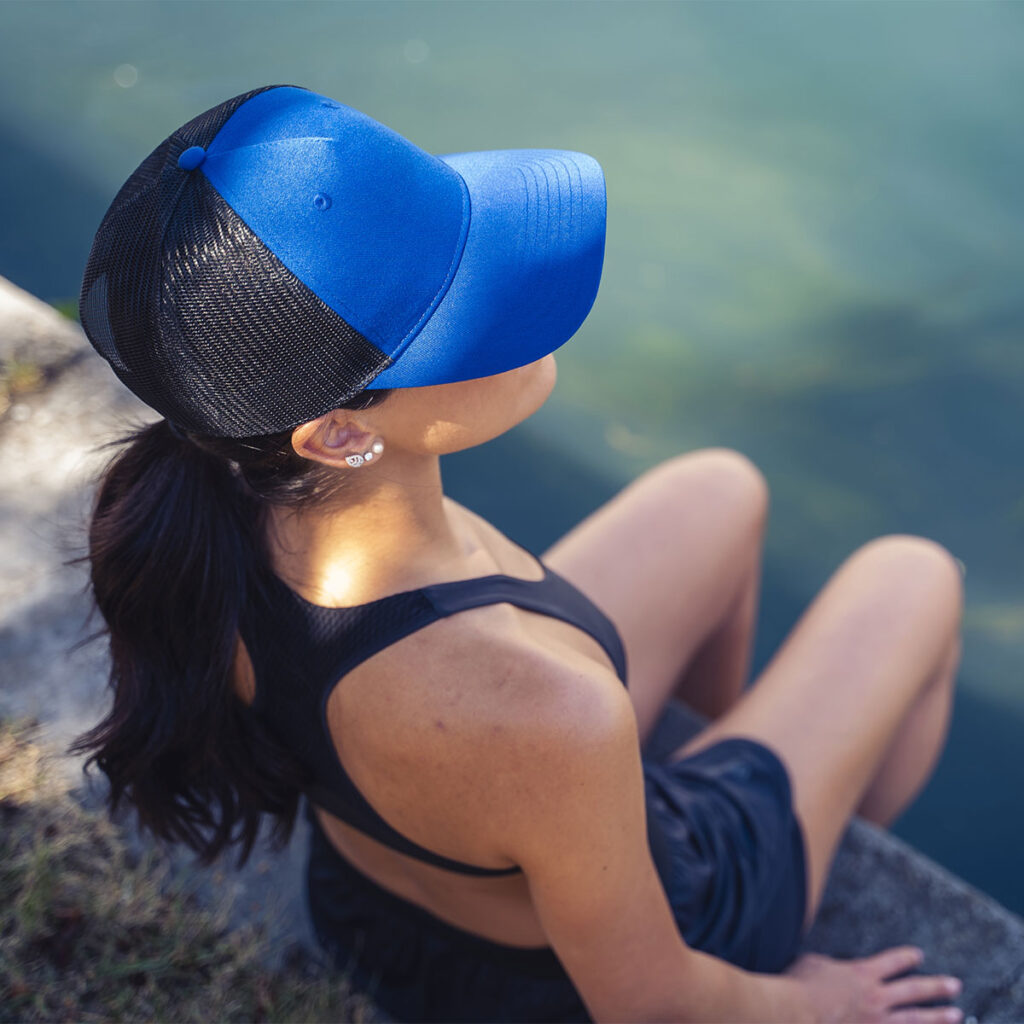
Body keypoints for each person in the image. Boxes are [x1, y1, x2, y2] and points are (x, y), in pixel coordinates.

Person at [70, 84, 966, 1024]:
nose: (520, 306)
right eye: (463, 308)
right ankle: (778, 878)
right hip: (587, 970)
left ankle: (664, 807)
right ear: (336, 434)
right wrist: (815, 1005)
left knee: (720, 488)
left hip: (373, 905)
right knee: (913, 577)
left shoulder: (201, 509)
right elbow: (650, 1003)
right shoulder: (549, 714)